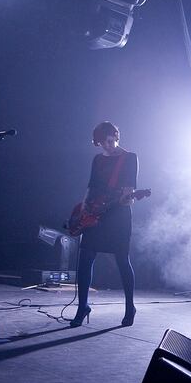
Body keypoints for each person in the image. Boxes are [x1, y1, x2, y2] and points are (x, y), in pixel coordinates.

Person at [70, 121, 138, 327]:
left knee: (122, 261)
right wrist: (83, 209)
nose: (106, 146)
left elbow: (129, 191)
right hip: (94, 214)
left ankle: (130, 307)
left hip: (118, 215)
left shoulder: (130, 158)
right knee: (85, 258)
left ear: (116, 136)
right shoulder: (97, 159)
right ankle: (82, 307)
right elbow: (91, 186)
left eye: (109, 141)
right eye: (102, 143)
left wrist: (127, 198)